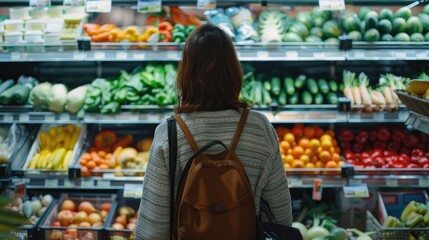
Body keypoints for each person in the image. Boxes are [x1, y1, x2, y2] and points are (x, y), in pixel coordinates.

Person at [135, 23, 292, 240]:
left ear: (186, 73)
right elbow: (280, 211)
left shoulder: (169, 133)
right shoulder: (259, 127)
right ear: (234, 69)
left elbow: (153, 224)